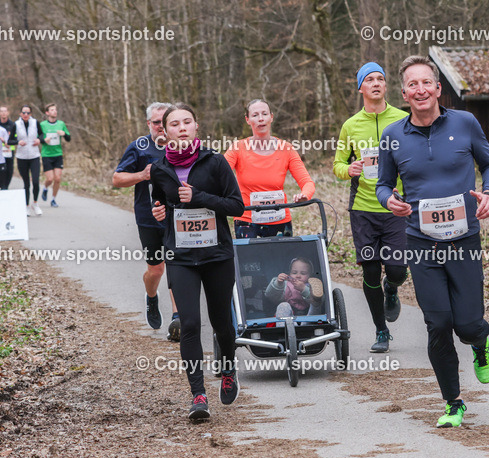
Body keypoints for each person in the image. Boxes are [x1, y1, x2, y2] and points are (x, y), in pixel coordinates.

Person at [376, 55, 489, 428]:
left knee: (468, 324)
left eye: (426, 82)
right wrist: (389, 200)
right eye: (412, 84)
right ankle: (453, 402)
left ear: (437, 88)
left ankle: (480, 344)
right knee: (438, 323)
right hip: (420, 241)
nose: (420, 90)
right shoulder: (393, 136)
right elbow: (383, 183)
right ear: (404, 93)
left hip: (463, 239)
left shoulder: (464, 123)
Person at [150, 103, 244, 421]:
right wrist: (159, 212)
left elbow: (236, 205)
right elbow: (160, 202)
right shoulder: (159, 169)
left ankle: (228, 368)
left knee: (221, 323)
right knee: (189, 323)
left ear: (196, 127)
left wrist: (200, 197)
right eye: (174, 124)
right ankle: (198, 395)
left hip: (217, 254)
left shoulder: (215, 162)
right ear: (165, 132)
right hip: (181, 256)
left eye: (187, 122)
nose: (182, 127)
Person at [334, 62, 411, 354]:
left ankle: (392, 288)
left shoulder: (403, 119)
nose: (376, 83)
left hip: (396, 207)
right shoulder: (350, 125)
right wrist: (348, 169)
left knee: (396, 269)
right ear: (361, 88)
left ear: (386, 86)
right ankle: (381, 330)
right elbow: (337, 165)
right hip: (363, 209)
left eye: (381, 78)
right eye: (370, 79)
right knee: (369, 271)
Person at [113, 102, 181, 337]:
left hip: (177, 217)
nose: (161, 128)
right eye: (156, 123)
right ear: (148, 124)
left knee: (176, 265)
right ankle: (151, 297)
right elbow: (117, 179)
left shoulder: (182, 146)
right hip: (148, 218)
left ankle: (177, 319)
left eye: (166, 122)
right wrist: (142, 175)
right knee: (156, 270)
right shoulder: (139, 147)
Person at [223, 99, 315, 238]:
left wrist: (305, 195)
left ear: (271, 117)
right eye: (255, 115)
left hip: (279, 219)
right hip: (247, 219)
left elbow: (307, 182)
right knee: (250, 260)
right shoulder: (237, 148)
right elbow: (218, 175)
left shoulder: (286, 149)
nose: (260, 119)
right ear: (248, 120)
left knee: (280, 260)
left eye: (264, 114)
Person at [39, 103, 70, 207]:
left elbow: (69, 138)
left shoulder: (61, 124)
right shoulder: (42, 125)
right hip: (46, 154)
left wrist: (64, 134)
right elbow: (38, 138)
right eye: (52, 110)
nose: (55, 112)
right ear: (47, 113)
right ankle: (45, 188)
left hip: (58, 154)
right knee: (50, 179)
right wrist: (44, 140)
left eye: (55, 110)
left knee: (57, 179)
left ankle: (53, 199)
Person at [15, 104, 42, 215]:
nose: (26, 115)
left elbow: (42, 135)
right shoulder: (16, 124)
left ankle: (35, 204)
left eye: (28, 113)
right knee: (26, 183)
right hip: (21, 157)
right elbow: (10, 139)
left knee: (35, 181)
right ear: (20, 114)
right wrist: (18, 142)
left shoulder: (35, 123)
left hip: (34, 155)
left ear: (30, 114)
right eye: (24, 112)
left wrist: (39, 140)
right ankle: (26, 206)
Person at [0, 106, 16, 190]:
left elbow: (16, 139)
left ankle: (5, 187)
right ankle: (0, 185)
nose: (3, 113)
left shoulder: (12, 125)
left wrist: (10, 142)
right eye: (2, 111)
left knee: (9, 171)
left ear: (8, 113)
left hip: (9, 151)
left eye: (5, 111)